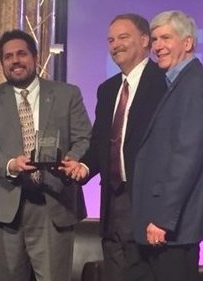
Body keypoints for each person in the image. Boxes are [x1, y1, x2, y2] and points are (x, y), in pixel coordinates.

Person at [0, 29, 92, 281]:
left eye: (21, 54)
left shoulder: (67, 94)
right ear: (2, 63)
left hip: (54, 202)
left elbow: (84, 137)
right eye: (8, 56)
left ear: (35, 57)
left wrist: (71, 159)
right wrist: (10, 164)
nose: (15, 60)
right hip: (9, 207)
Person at [61, 14, 166, 281]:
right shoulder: (108, 89)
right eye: (110, 39)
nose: (115, 44)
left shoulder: (165, 81)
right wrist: (84, 166)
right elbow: (101, 141)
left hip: (148, 204)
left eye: (123, 37)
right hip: (112, 204)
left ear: (145, 40)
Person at [131, 10, 203, 281]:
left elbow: (186, 156)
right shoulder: (180, 83)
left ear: (187, 43)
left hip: (174, 225)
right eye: (154, 39)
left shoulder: (196, 83)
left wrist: (163, 218)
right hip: (171, 222)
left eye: (165, 38)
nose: (157, 46)